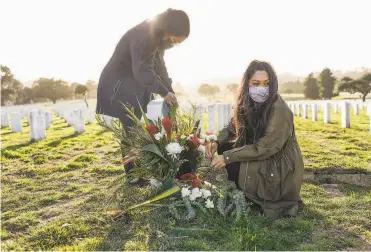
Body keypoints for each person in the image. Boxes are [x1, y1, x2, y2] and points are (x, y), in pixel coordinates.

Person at [96, 9, 190, 178]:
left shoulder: (158, 39)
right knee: (131, 130)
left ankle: (147, 169)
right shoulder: (144, 35)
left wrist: (169, 92)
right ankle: (133, 175)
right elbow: (141, 71)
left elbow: (160, 68)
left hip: (138, 85)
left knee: (148, 127)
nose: (174, 44)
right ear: (169, 30)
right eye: (175, 40)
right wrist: (163, 92)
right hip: (122, 85)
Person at [208, 60, 304, 219]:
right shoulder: (248, 102)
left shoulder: (279, 109)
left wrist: (227, 157)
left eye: (266, 83)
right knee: (224, 147)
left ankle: (248, 193)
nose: (262, 89)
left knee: (231, 164)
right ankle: (241, 188)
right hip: (261, 154)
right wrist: (216, 142)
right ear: (247, 84)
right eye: (256, 83)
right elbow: (233, 128)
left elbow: (265, 148)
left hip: (277, 164)